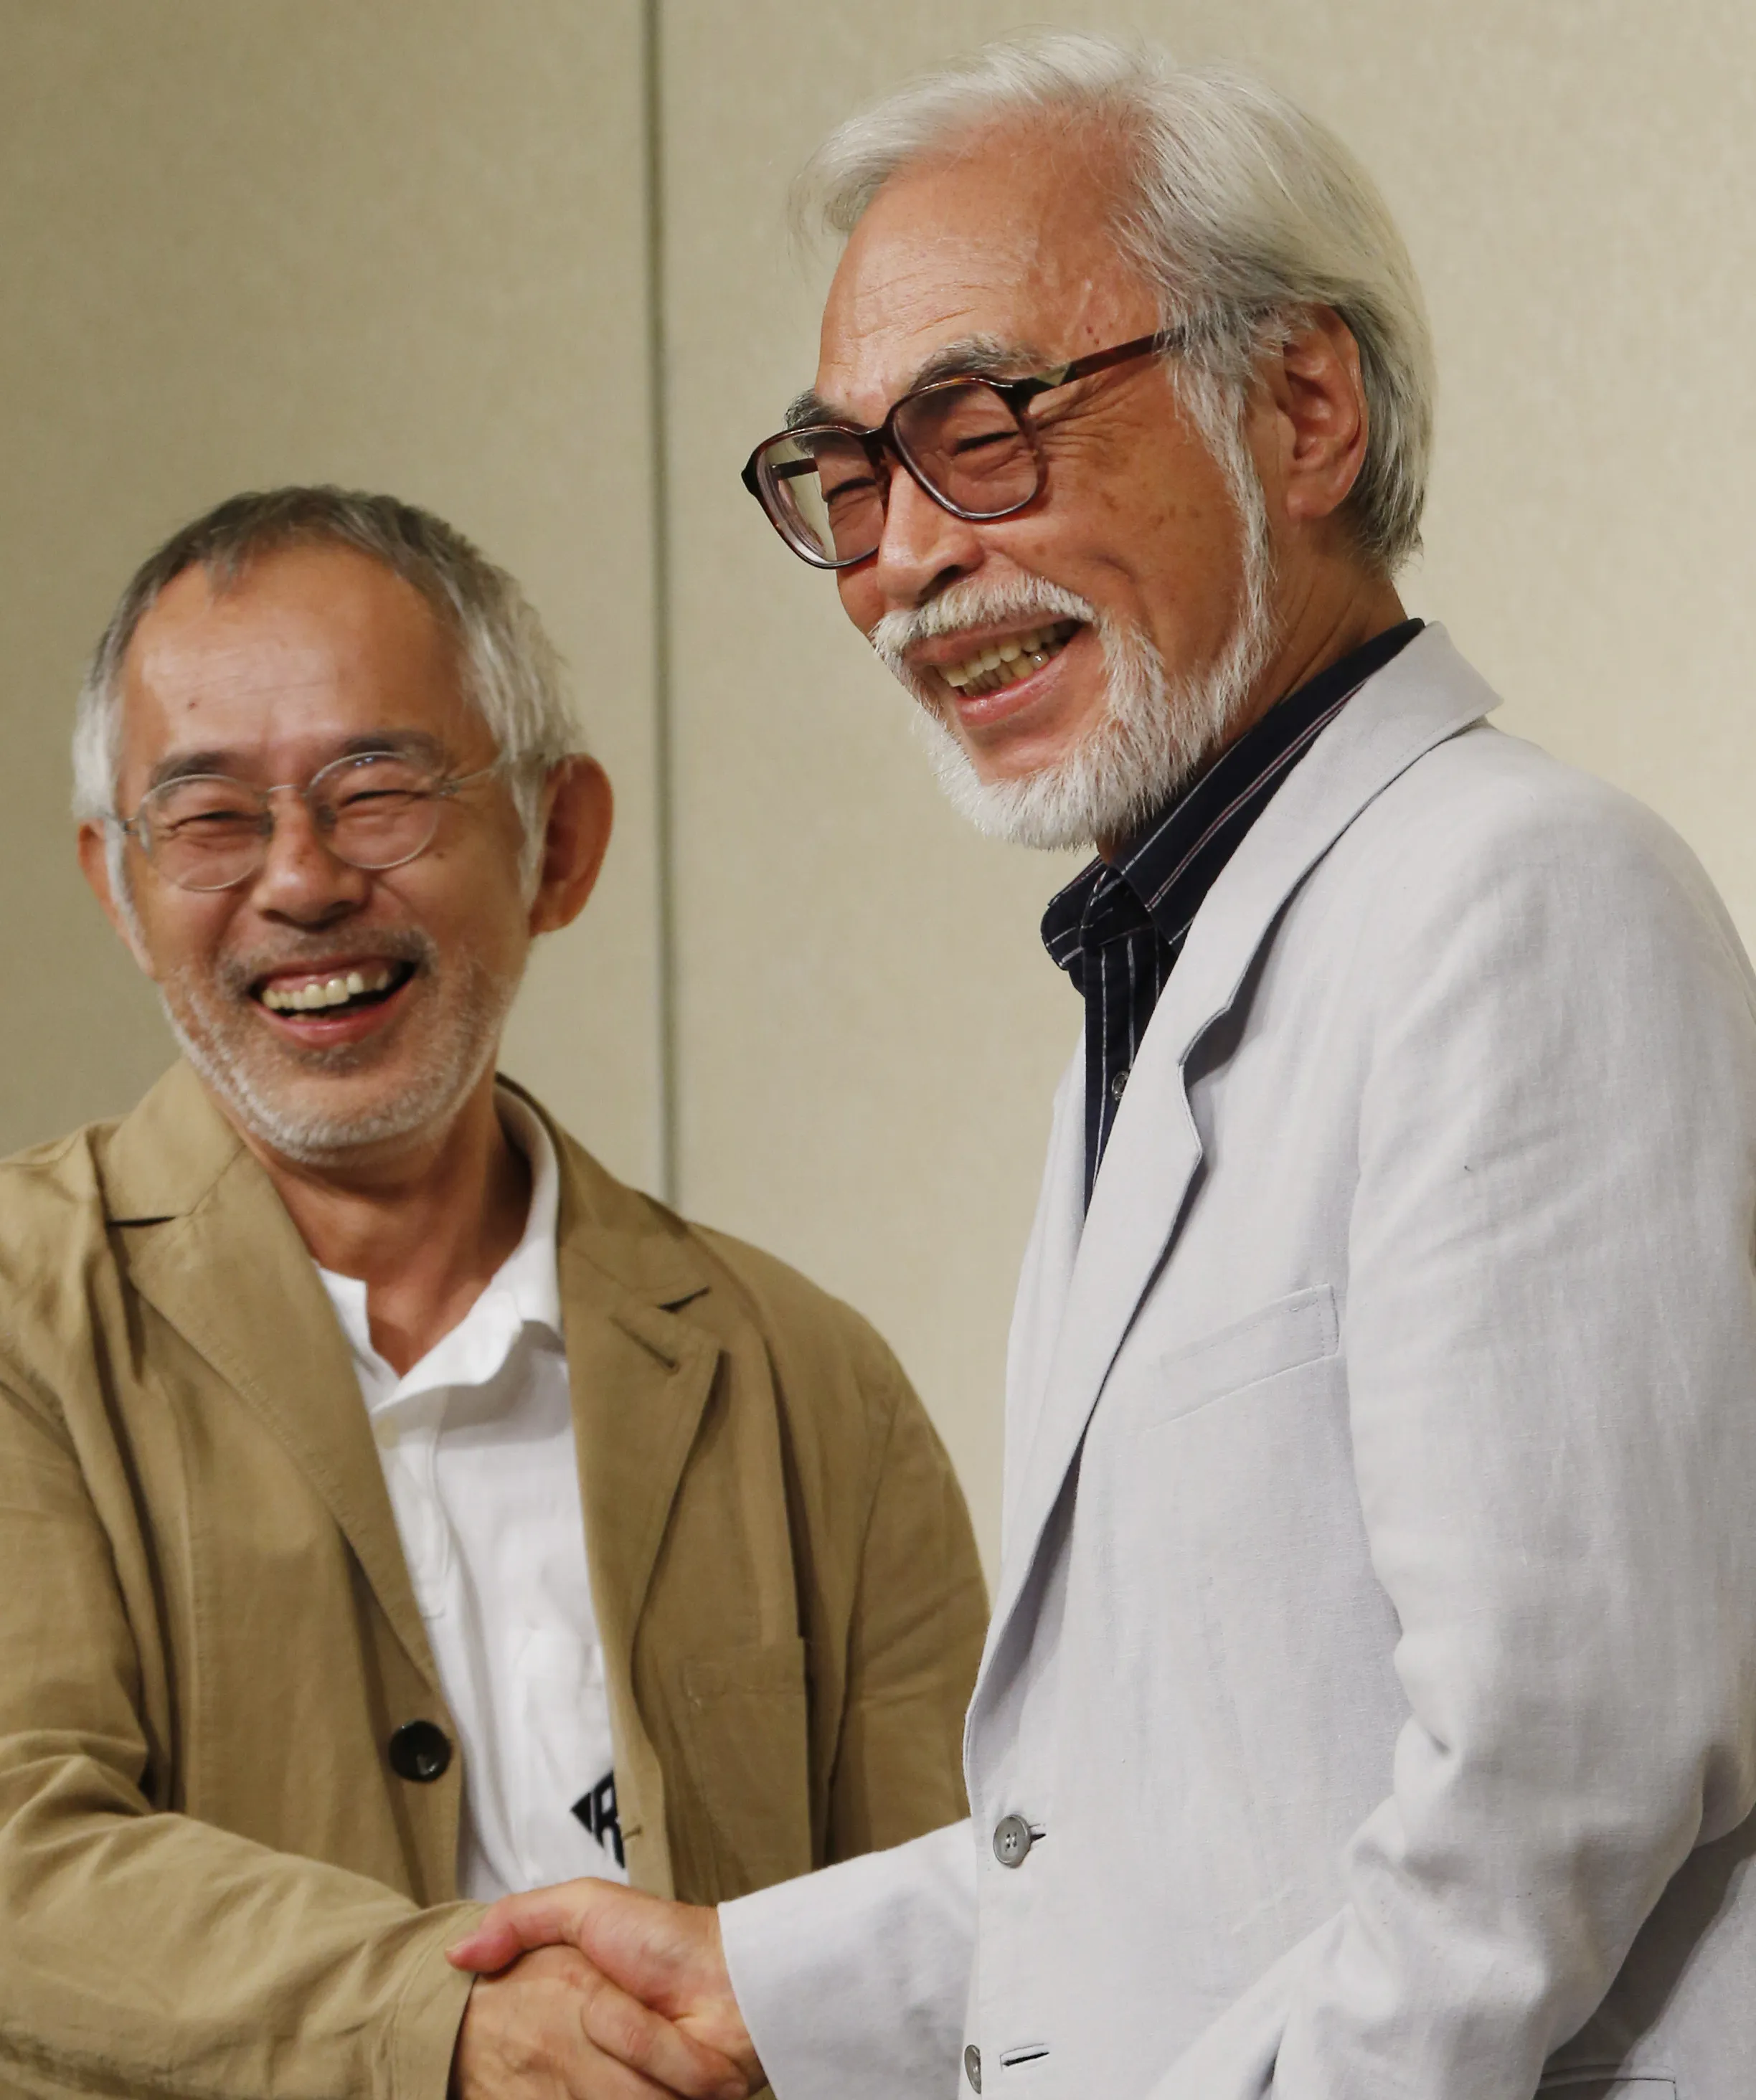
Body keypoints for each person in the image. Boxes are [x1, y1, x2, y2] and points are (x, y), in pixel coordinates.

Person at [447, 32, 1756, 2100]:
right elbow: (1187, 1832)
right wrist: (756, 1981)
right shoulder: (1172, 965)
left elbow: (1550, 1794)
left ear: (1302, 406)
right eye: (850, 477)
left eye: (982, 427)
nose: (899, 561)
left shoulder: (1520, 902)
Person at [0, 486, 985, 2099]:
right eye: (212, 819)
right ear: (117, 888)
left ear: (560, 842)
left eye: (375, 790)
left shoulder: (810, 1382)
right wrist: (441, 2022)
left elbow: (954, 1933)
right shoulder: (24, 1320)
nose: (302, 881)